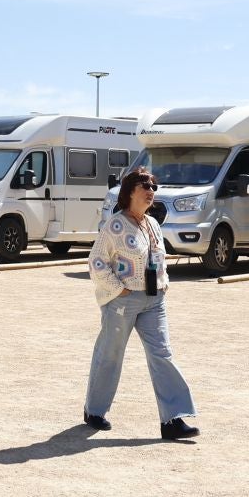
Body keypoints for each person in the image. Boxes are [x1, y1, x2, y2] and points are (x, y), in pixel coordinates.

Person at [83, 170, 199, 439]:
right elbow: (96, 262)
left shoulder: (153, 224)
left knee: (163, 354)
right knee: (111, 354)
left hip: (154, 300)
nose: (151, 190)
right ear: (129, 191)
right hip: (123, 302)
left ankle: (173, 419)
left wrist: (164, 281)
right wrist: (118, 288)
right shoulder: (115, 225)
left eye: (154, 186)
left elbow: (160, 257)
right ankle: (94, 410)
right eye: (144, 185)